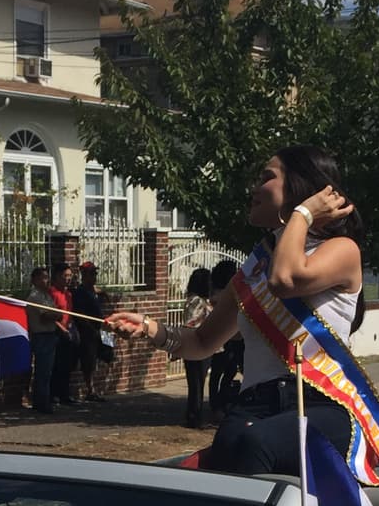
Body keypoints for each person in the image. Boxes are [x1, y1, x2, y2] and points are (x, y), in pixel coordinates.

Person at [109, 146, 363, 478]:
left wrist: (302, 215)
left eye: (267, 178)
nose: (254, 188)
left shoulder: (341, 251)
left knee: (257, 443)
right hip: (254, 405)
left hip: (318, 403)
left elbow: (285, 280)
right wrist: (148, 328)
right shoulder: (253, 270)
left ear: (300, 188)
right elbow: (202, 341)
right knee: (230, 446)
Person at [207, 259, 244, 415]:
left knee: (229, 370)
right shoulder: (220, 293)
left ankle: (221, 399)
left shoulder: (229, 291)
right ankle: (216, 403)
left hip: (234, 336)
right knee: (219, 371)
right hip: (224, 337)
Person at [181, 267, 213, 426]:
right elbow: (191, 323)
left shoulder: (201, 300)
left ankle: (195, 413)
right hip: (196, 346)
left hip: (201, 346)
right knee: (196, 383)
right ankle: (194, 416)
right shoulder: (196, 301)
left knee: (198, 382)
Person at [72, 261, 107, 403]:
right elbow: (80, 314)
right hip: (88, 332)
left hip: (98, 329)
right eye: (91, 274)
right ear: (84, 275)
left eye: (95, 273)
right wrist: (91, 329)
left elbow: (96, 291)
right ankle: (90, 390)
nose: (94, 276)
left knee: (103, 356)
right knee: (89, 360)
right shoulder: (80, 293)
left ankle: (96, 388)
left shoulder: (93, 290)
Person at [27, 265, 57, 413]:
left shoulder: (46, 295)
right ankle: (41, 402)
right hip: (41, 335)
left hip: (50, 334)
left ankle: (44, 400)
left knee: (48, 371)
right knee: (42, 371)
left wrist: (56, 314)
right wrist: (56, 315)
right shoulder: (35, 296)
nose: (47, 280)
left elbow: (56, 312)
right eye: (43, 278)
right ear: (35, 280)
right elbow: (46, 316)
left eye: (47, 277)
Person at [48, 262, 75, 406]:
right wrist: (62, 329)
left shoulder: (68, 294)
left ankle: (64, 394)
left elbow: (69, 314)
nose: (68, 279)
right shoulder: (52, 293)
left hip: (68, 332)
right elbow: (49, 315)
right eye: (65, 276)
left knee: (66, 366)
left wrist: (70, 328)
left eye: (70, 275)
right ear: (58, 276)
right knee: (55, 366)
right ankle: (53, 395)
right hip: (56, 333)